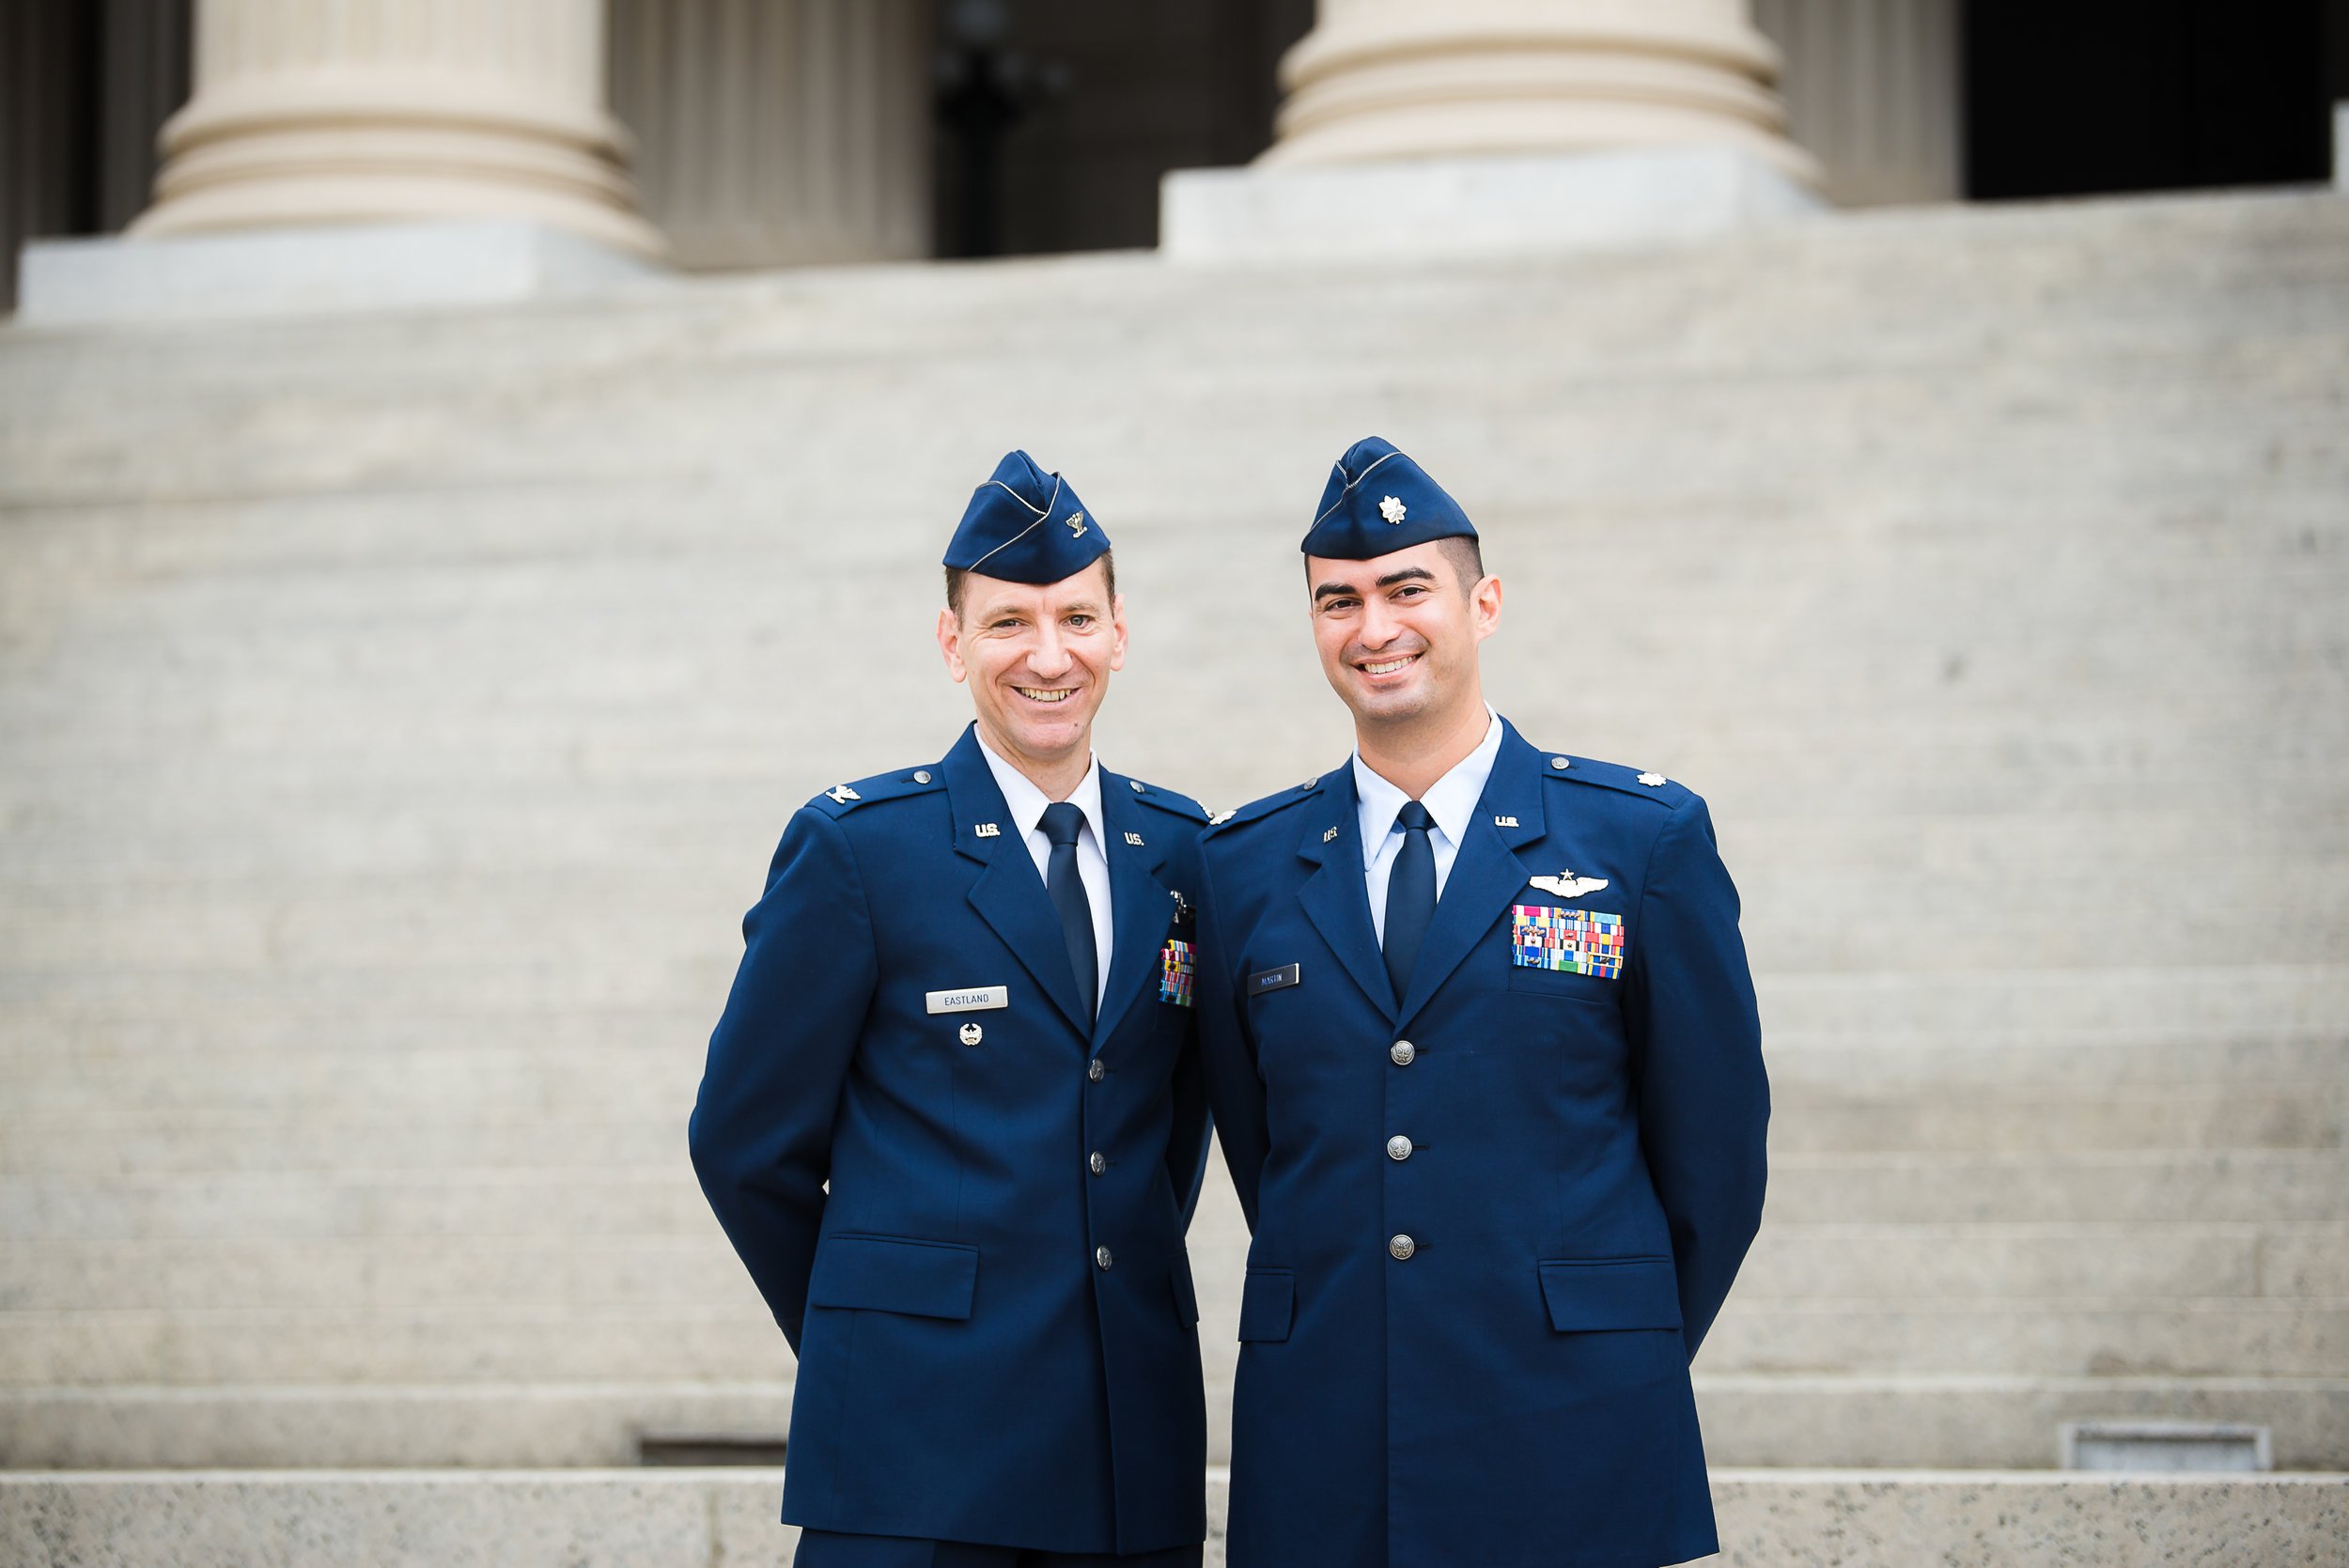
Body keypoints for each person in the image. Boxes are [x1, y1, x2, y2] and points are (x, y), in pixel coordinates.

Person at [1193, 437, 1769, 1568]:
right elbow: (1265, 1152)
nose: (1375, 627)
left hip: (1572, 1424)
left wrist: (1609, 1338)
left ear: (1484, 601)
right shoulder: (1240, 869)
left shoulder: (1637, 841)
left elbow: (1716, 1161)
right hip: (1327, 1441)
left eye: (1409, 589)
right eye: (1338, 600)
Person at [690, 451, 1213, 1568]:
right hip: (912, 1452)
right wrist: (874, 1327)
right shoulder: (858, 850)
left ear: (1120, 632)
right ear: (951, 644)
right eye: (1007, 622)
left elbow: (1168, 1129)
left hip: (1129, 1444)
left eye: (1076, 617)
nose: (1047, 654)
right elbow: (744, 1143)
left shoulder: (1180, 850)